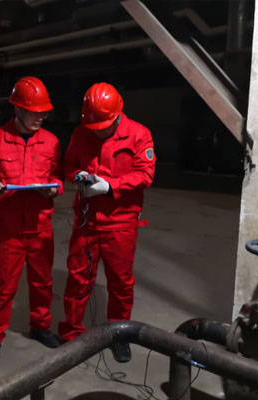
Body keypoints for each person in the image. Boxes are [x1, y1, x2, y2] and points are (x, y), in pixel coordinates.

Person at [58, 82, 155, 363]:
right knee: (77, 279)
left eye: (103, 127)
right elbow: (69, 165)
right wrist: (78, 177)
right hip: (86, 220)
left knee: (120, 283)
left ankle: (119, 335)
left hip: (120, 223)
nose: (98, 132)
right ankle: (71, 332)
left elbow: (145, 174)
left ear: (117, 115)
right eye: (94, 127)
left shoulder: (139, 135)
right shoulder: (81, 132)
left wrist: (110, 186)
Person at [0, 76, 63, 363]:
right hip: (7, 228)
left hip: (40, 226)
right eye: (35, 113)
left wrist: (54, 189)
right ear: (18, 109)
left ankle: (40, 327)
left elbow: (58, 176)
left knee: (42, 283)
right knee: (1, 285)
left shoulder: (51, 142)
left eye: (44, 113)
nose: (41, 118)